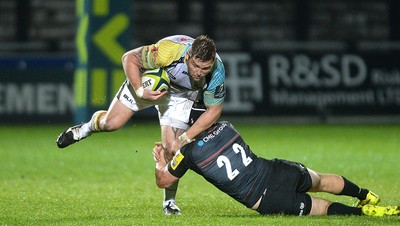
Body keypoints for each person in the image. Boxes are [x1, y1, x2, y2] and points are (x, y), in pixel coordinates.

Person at [55, 35, 226, 215]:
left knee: (172, 149)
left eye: (205, 68)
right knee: (112, 123)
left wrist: (184, 138)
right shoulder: (169, 51)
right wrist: (139, 89)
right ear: (187, 57)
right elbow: (128, 58)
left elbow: (213, 110)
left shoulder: (217, 72)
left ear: (212, 62)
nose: (199, 72)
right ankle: (86, 128)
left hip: (182, 96)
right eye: (195, 66)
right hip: (150, 83)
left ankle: (169, 202)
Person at [153, 121, 400, 217]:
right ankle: (366, 194)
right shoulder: (224, 126)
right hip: (276, 169)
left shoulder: (187, 154)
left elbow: (164, 181)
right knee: (322, 180)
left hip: (266, 197)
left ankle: (366, 214)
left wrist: (161, 161)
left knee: (323, 208)